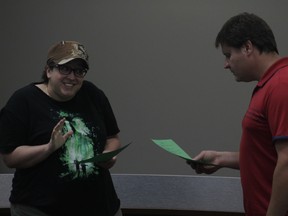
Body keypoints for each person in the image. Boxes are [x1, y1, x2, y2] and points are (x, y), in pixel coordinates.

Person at [0, 40, 123, 216]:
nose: (72, 77)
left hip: (101, 207)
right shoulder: (23, 101)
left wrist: (108, 156)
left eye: (79, 71)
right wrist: (49, 148)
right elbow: (10, 158)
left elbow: (113, 138)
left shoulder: (93, 94)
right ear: (49, 70)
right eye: (65, 69)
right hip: (39, 209)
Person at [187, 12, 288, 216]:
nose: (226, 64)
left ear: (248, 47)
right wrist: (220, 158)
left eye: (228, 54)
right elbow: (267, 156)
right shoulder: (268, 85)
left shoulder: (281, 85)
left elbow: (287, 162)